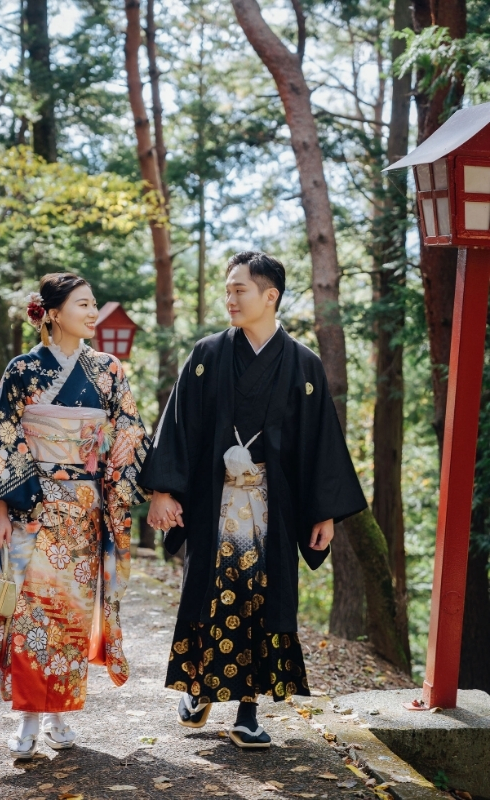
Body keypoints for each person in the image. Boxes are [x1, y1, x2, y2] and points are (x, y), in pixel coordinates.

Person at [140, 251, 367, 750]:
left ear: (271, 296)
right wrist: (162, 490)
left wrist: (324, 512)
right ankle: (200, 690)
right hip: (215, 502)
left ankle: (248, 711)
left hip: (274, 506)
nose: (230, 299)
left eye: (239, 289)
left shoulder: (304, 364)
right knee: (208, 594)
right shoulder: (208, 355)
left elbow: (319, 444)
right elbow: (177, 425)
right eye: (227, 290)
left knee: (264, 602)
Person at [0, 273, 151, 759]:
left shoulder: (109, 370)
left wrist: (126, 472)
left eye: (94, 304)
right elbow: (6, 441)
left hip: (84, 511)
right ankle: (28, 718)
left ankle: (59, 715)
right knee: (31, 613)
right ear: (51, 312)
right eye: (83, 304)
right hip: (33, 506)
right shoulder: (22, 370)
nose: (93, 313)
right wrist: (1, 512)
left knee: (70, 616)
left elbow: (131, 432)